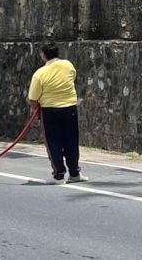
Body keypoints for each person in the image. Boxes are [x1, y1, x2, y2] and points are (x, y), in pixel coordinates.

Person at [28, 42, 88, 185]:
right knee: (71, 142)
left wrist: (34, 109)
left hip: (50, 111)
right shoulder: (68, 65)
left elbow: (33, 98)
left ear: (43, 55)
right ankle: (74, 173)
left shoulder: (40, 74)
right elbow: (71, 78)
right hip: (70, 108)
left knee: (53, 143)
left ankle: (59, 174)